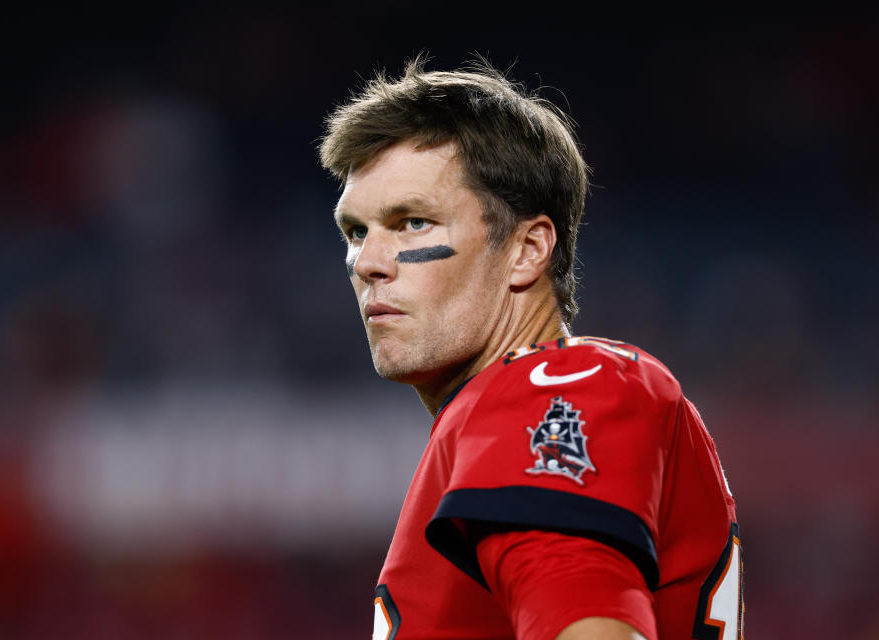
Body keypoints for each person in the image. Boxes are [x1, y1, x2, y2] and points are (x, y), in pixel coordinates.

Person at [318, 58, 742, 640]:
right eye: (356, 231)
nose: (366, 263)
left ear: (527, 250)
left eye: (413, 222)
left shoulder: (559, 384)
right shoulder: (494, 414)